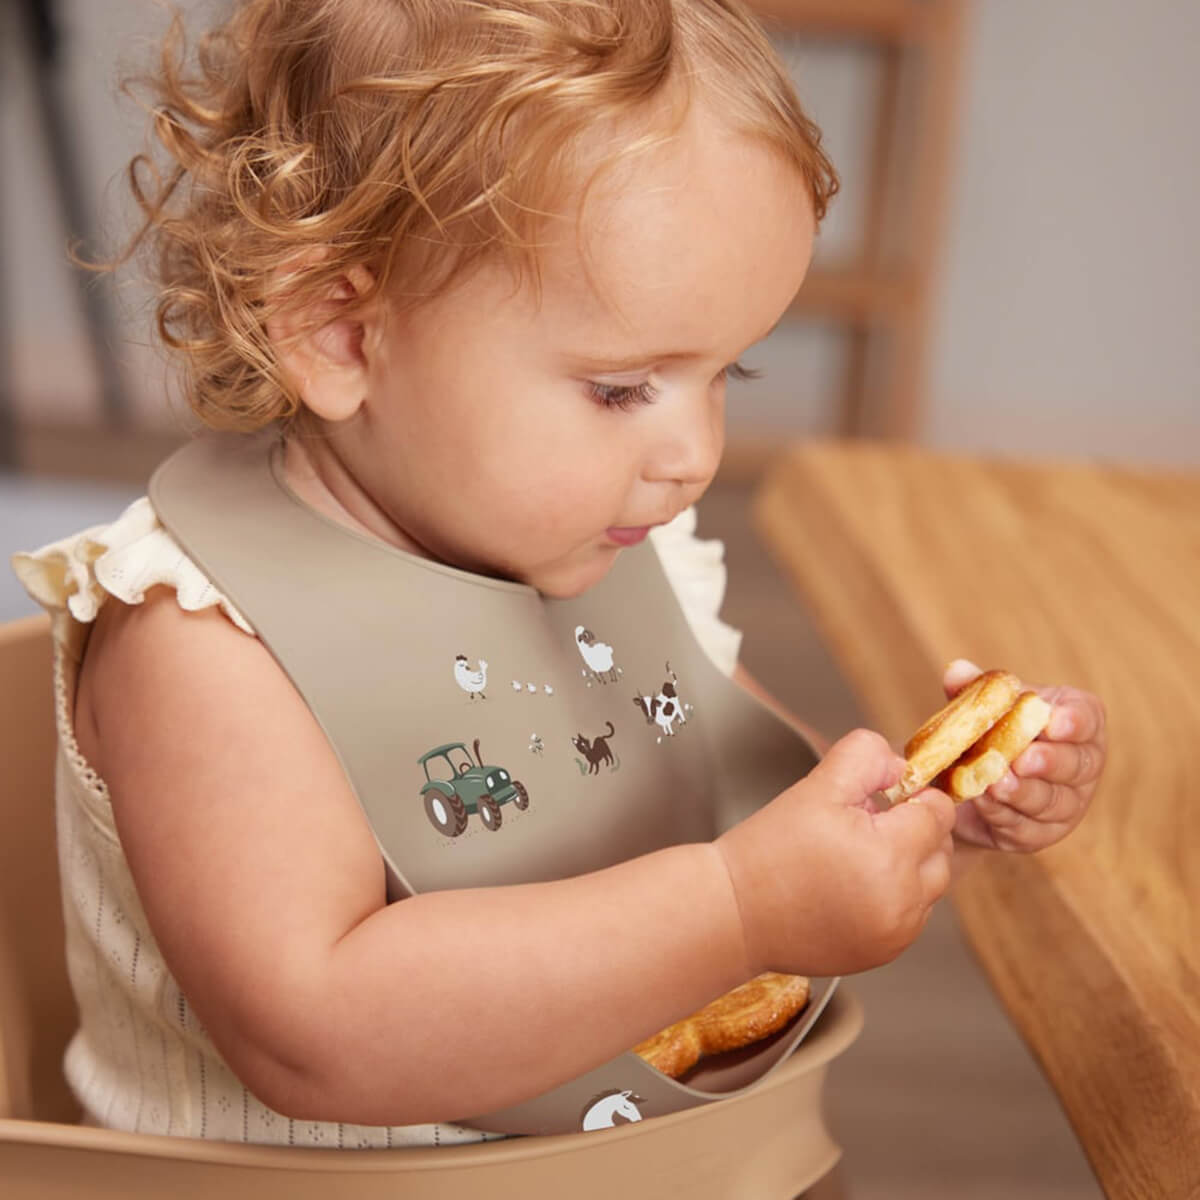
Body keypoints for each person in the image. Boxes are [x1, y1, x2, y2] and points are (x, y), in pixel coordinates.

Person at [13, 0, 1105, 1148]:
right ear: (342, 334)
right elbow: (313, 1031)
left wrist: (930, 812)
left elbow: (756, 809)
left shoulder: (611, 552)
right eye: (622, 389)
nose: (696, 456)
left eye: (728, 374)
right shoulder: (204, 645)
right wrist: (738, 908)